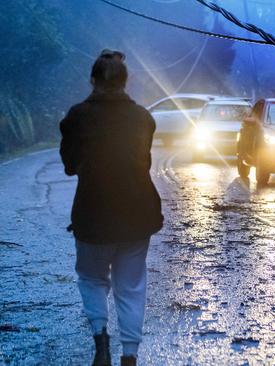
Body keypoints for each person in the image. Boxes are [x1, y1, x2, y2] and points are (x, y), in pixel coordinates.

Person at [59, 49, 163, 366]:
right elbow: (143, 162)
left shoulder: (76, 116)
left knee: (92, 279)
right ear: (125, 80)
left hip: (93, 214)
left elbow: (70, 166)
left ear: (92, 80)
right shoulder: (144, 117)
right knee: (131, 286)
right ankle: (129, 356)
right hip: (138, 213)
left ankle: (101, 343)